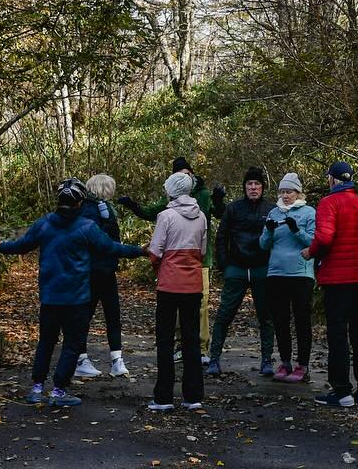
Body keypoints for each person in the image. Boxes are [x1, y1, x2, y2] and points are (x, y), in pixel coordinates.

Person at [0, 177, 144, 407]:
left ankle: (36, 388)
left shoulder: (44, 224)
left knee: (46, 341)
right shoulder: (86, 228)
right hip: (77, 298)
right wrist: (141, 251)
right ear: (79, 203)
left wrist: (0, 246)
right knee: (72, 344)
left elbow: (21, 245)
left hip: (51, 295)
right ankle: (58, 390)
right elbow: (112, 248)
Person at [118, 156, 222, 358]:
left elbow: (219, 213)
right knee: (175, 309)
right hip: (176, 264)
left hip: (199, 260)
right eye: (179, 174)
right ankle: (180, 346)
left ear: (192, 174)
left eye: (187, 173)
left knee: (200, 306)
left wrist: (218, 200)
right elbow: (152, 212)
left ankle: (200, 348)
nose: (185, 177)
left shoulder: (203, 195)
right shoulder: (170, 200)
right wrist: (134, 206)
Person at [303, 161, 358, 407]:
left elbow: (324, 237)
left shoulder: (328, 203)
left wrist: (310, 252)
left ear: (332, 179)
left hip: (336, 279)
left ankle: (342, 390)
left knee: (338, 334)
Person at [146, 170, 208, 411]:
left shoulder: (166, 216)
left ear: (170, 191)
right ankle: (193, 396)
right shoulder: (201, 216)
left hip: (170, 284)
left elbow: (155, 252)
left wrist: (157, 266)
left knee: (165, 339)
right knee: (191, 339)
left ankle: (163, 397)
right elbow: (201, 251)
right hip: (193, 284)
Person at [206, 166, 276, 375]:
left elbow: (276, 239)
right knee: (224, 314)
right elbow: (221, 237)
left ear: (263, 187)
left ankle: (266, 361)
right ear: (244, 187)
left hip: (261, 268)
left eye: (257, 184)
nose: (253, 188)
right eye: (249, 184)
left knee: (266, 315)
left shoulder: (271, 209)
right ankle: (214, 359)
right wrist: (224, 264)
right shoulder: (234, 209)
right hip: (236, 268)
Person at [261, 172, 316, 383]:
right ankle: (285, 363)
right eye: (282, 192)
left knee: (302, 319)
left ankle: (303, 365)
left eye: (289, 191)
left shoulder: (309, 212)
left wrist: (296, 230)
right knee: (280, 320)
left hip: (301, 273)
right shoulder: (274, 212)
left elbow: (313, 242)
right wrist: (267, 231)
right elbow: (263, 245)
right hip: (276, 273)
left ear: (298, 193)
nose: (285, 195)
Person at [72, 174, 129, 378]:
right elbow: (96, 240)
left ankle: (116, 359)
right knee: (87, 315)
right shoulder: (88, 210)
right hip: (92, 270)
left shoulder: (104, 207)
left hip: (105, 268)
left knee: (111, 314)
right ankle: (81, 358)